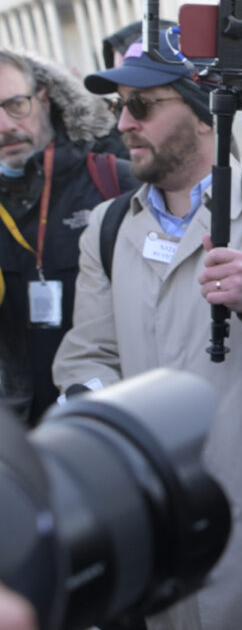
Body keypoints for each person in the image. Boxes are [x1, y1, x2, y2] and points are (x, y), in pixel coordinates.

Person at [53, 37, 242, 629]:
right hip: (168, 532)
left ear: (204, 115)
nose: (123, 124)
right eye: (119, 107)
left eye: (141, 106)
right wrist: (99, 421)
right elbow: (88, 353)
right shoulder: (107, 228)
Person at [0, 50, 137, 425]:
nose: (4, 125)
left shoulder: (115, 181)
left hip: (113, 415)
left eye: (15, 105)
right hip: (19, 430)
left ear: (43, 98)